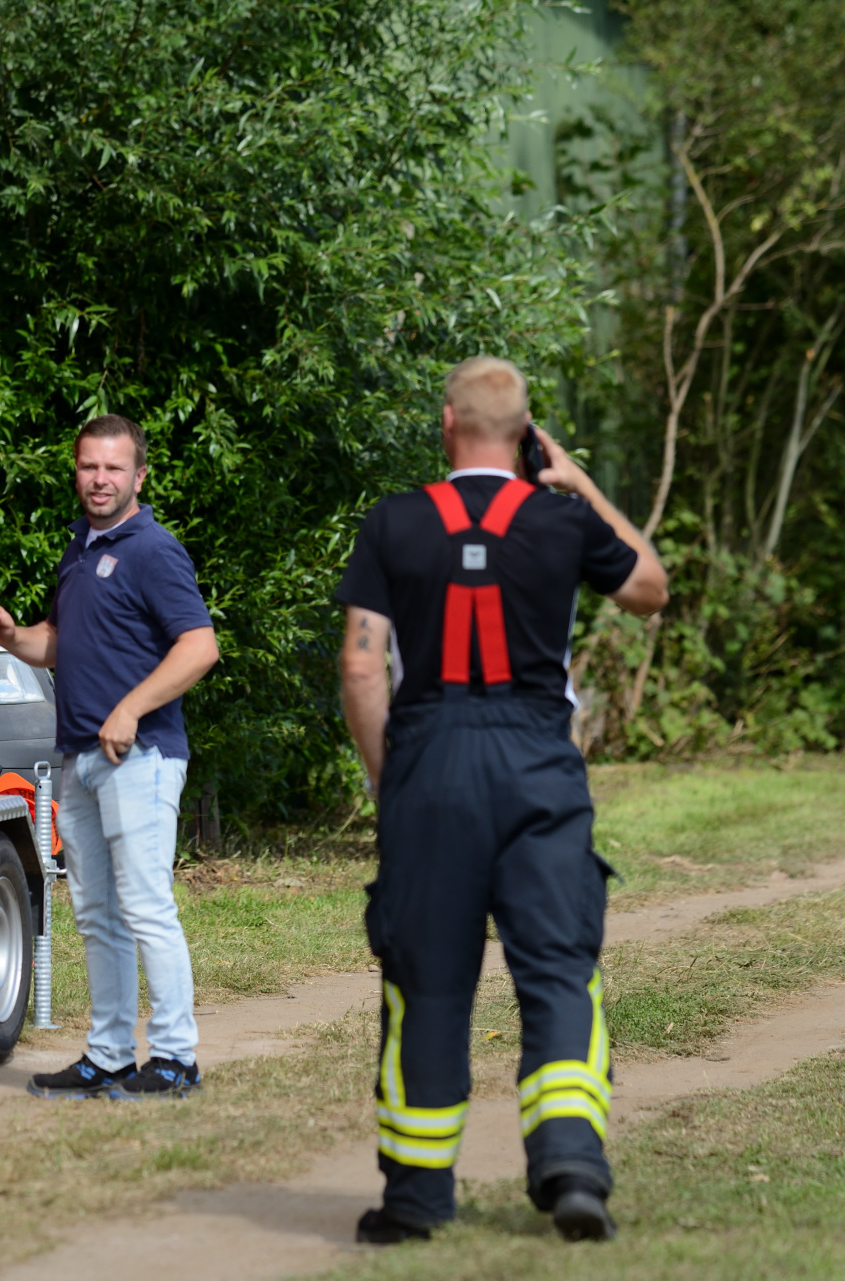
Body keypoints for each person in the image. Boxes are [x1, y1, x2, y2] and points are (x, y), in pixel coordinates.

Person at [335, 357, 668, 1243]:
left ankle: (414, 1200)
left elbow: (363, 664)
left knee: (427, 980)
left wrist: (389, 782)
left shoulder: (395, 523)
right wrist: (584, 487)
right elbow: (650, 587)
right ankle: (570, 1165)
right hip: (537, 762)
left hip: (431, 760)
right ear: (527, 437)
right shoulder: (561, 521)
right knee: (559, 968)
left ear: (447, 421)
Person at [0, 414, 220, 1100]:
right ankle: (110, 1056)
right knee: (97, 914)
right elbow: (60, 642)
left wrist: (131, 708)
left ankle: (177, 1059)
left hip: (139, 755)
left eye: (114, 468)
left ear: (139, 475)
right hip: (80, 757)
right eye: (90, 466)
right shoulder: (81, 549)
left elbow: (199, 647)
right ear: (77, 469)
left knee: (146, 907)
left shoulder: (153, 550)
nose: (100, 479)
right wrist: (11, 637)